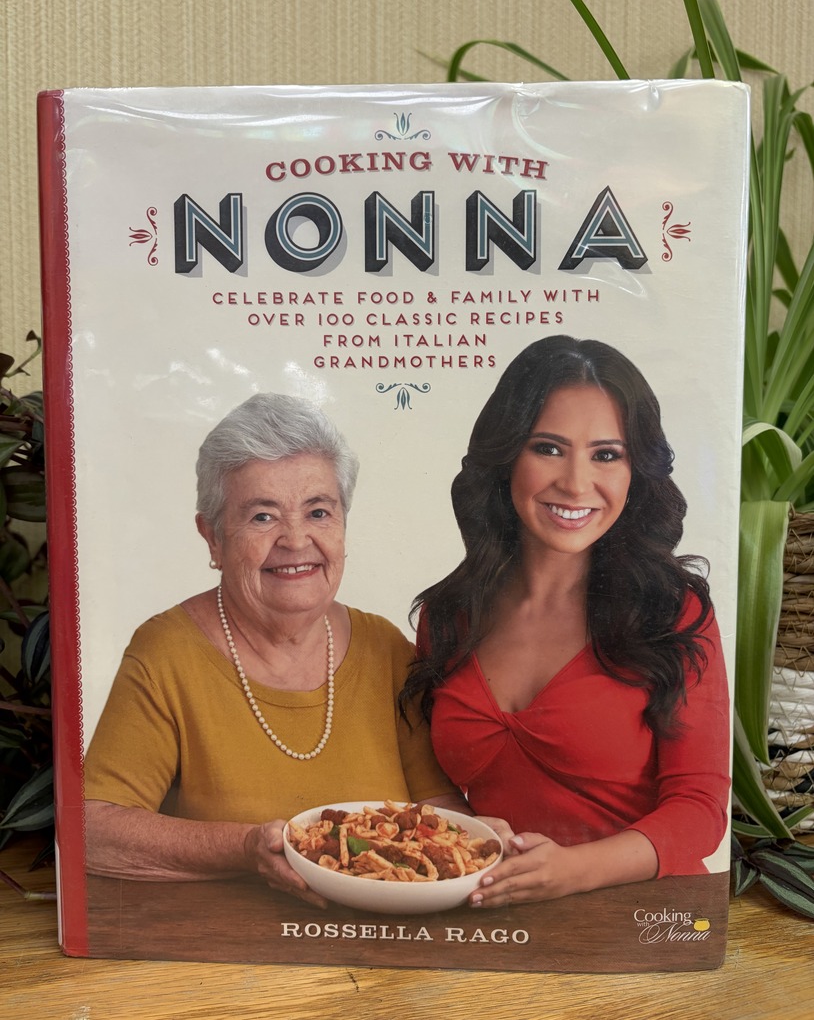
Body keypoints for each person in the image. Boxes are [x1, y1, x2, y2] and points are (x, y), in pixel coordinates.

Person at [84, 393, 465, 907]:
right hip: (224, 957)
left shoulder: (387, 649)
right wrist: (245, 848)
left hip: (386, 944)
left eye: (319, 511)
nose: (295, 539)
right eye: (263, 517)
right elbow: (92, 830)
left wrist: (485, 836)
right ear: (213, 538)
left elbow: (437, 811)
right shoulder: (166, 653)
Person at [400, 335, 731, 907]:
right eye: (549, 448)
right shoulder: (449, 612)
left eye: (607, 454)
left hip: (649, 920)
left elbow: (700, 808)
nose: (577, 483)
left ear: (636, 471)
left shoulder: (673, 612)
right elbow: (438, 786)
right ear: (506, 458)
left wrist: (574, 871)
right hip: (493, 913)